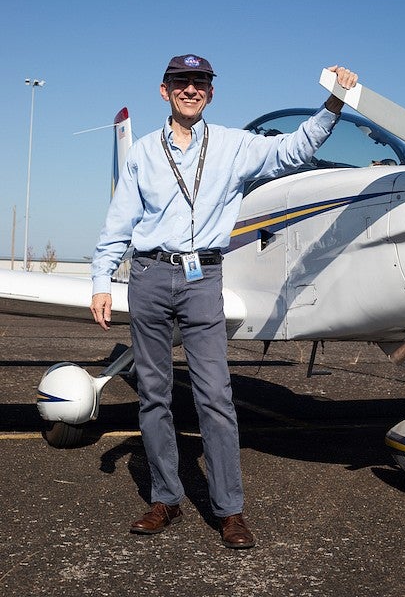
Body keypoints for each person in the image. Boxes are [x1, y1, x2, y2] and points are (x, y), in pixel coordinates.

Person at [90, 54, 358, 549]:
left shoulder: (235, 146)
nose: (190, 89)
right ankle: (165, 499)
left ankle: (229, 510)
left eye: (200, 83)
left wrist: (333, 104)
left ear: (210, 93)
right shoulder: (144, 153)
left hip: (202, 277)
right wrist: (102, 278)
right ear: (164, 91)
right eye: (181, 82)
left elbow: (292, 152)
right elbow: (119, 220)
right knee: (152, 394)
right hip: (148, 275)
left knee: (214, 394)